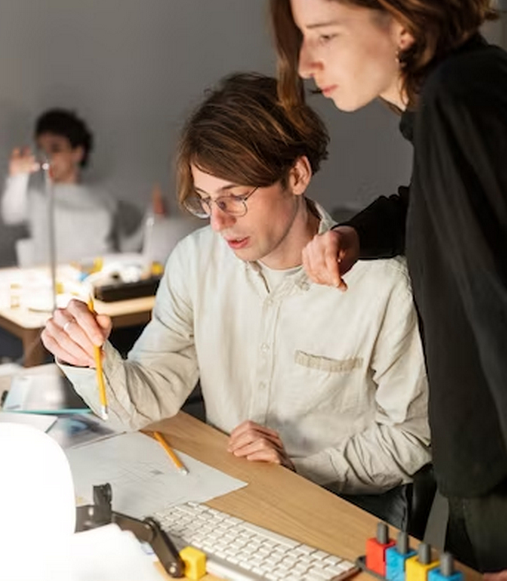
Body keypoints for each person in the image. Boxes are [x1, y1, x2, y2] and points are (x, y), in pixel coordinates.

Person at [269, 0, 507, 579]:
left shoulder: (459, 107)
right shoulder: (481, 85)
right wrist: (361, 234)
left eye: (326, 35)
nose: (306, 63)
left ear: (404, 22)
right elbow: (446, 206)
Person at [41, 73, 431, 527]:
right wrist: (90, 361)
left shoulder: (380, 283)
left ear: (297, 175)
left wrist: (300, 470)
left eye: (236, 198)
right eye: (205, 200)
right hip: (224, 497)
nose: (219, 223)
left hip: (337, 510)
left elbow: (411, 437)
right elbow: (150, 397)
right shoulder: (194, 261)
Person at [0, 109, 151, 266]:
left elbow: (124, 249)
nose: (46, 157)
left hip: (104, 276)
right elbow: (11, 214)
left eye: (55, 149)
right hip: (58, 281)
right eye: (41, 149)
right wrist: (18, 176)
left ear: (77, 153)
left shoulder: (103, 198)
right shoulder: (37, 196)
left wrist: (152, 219)